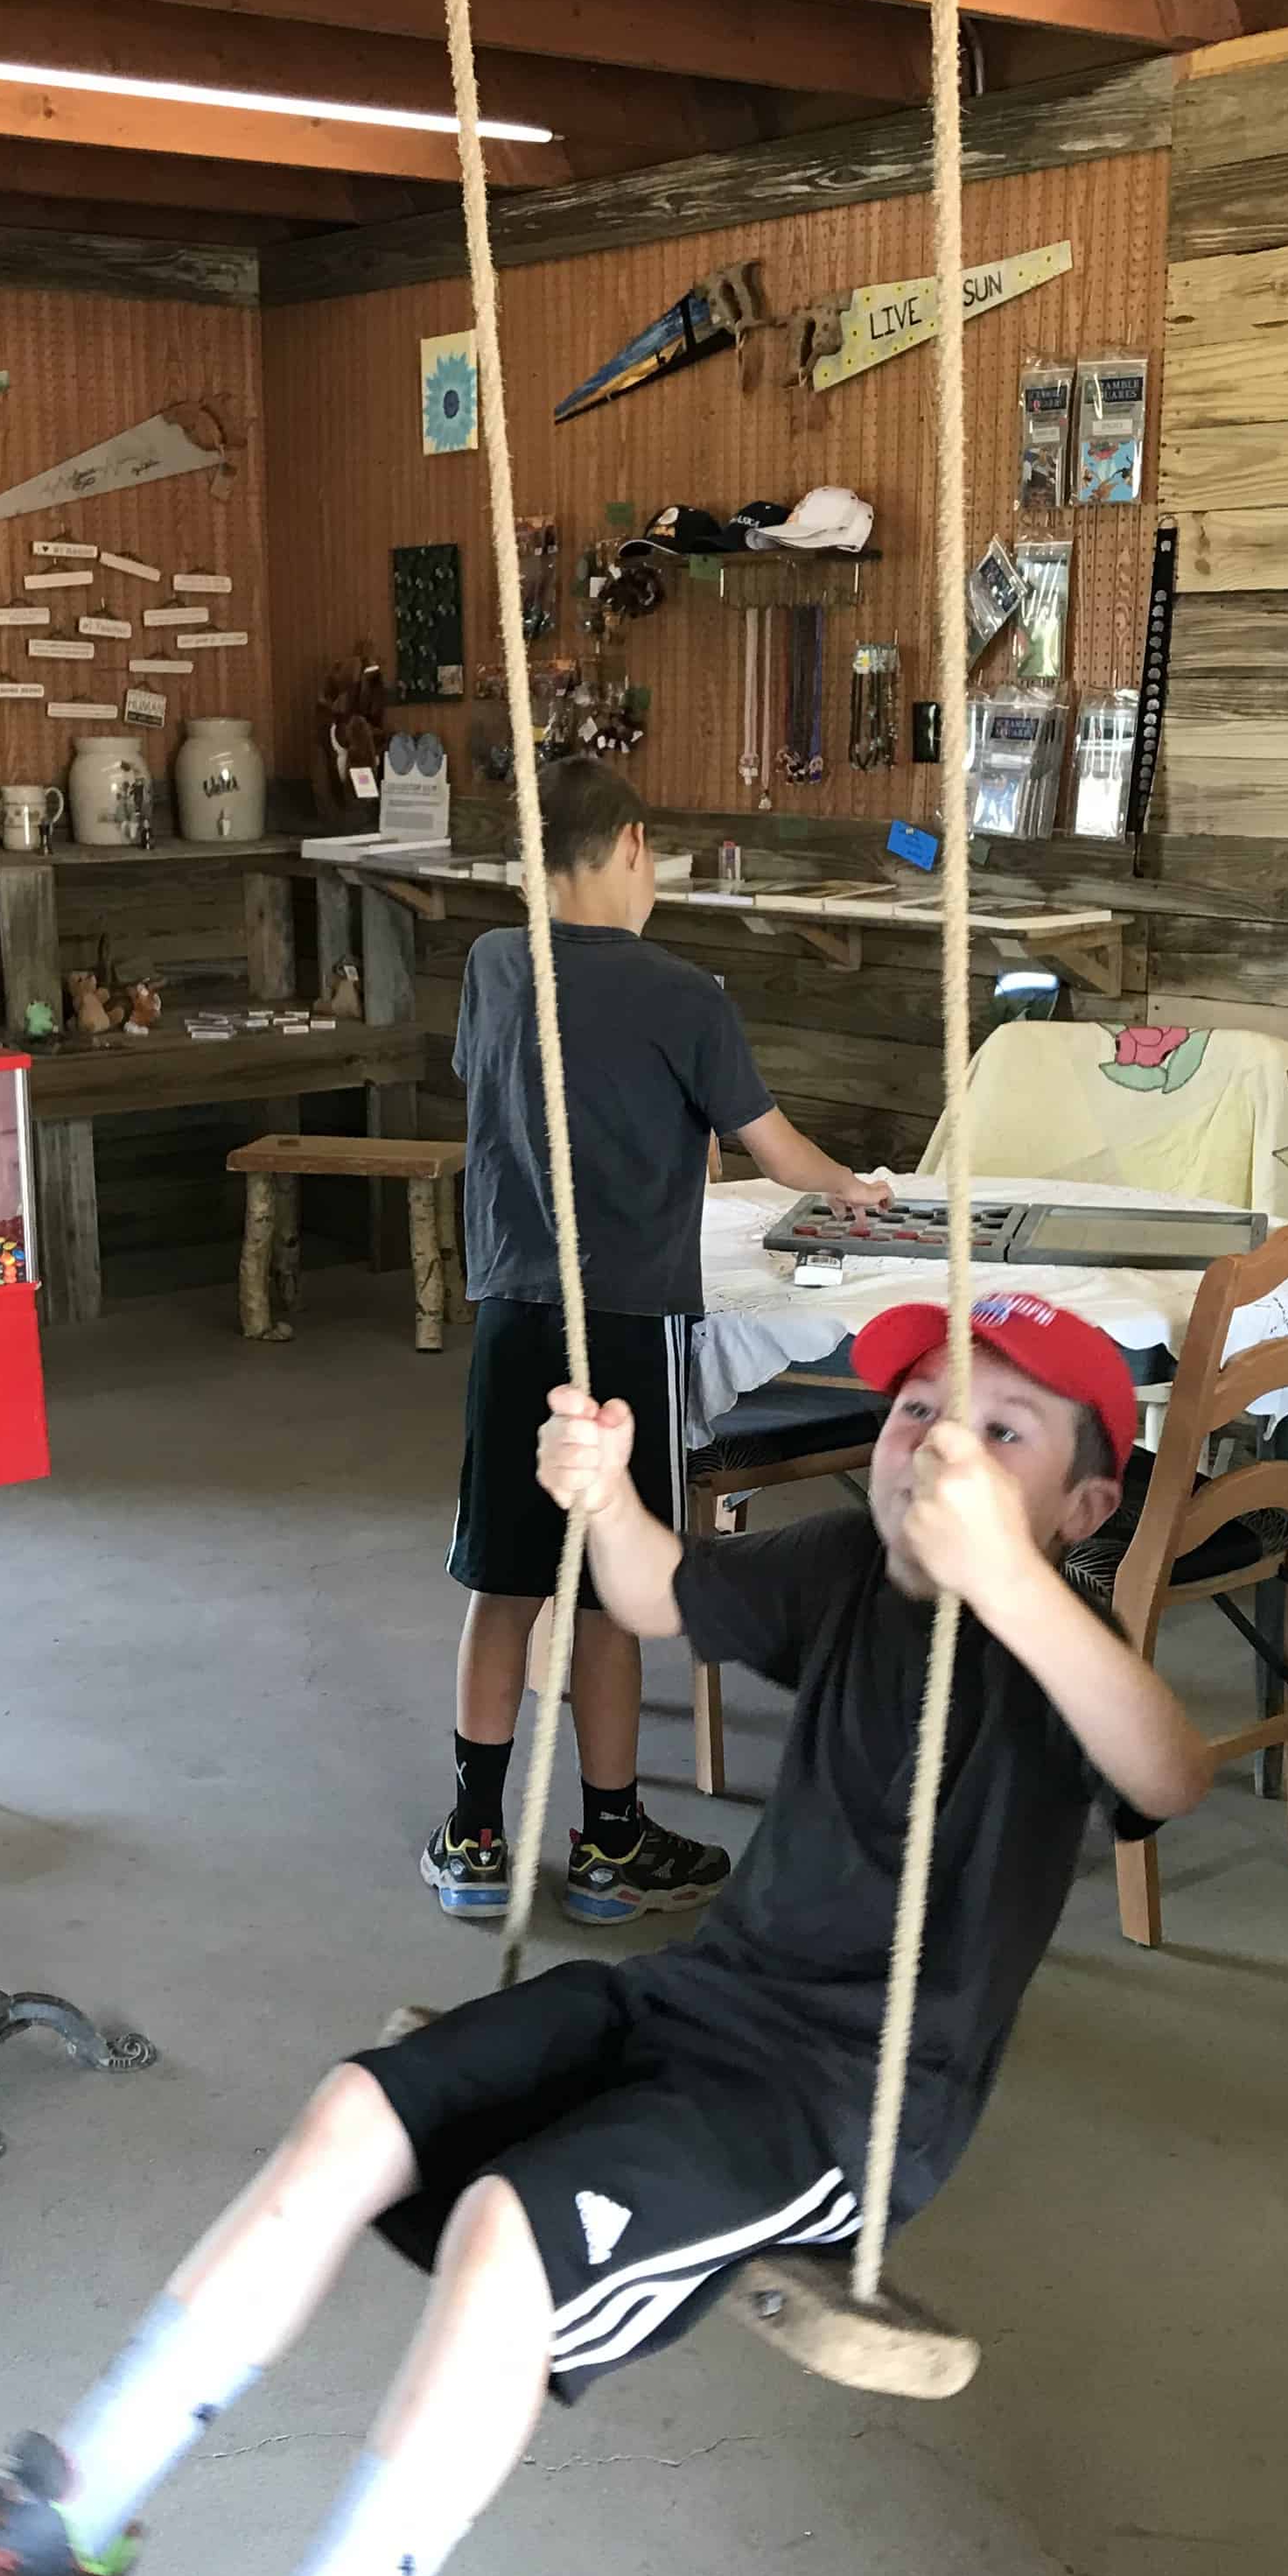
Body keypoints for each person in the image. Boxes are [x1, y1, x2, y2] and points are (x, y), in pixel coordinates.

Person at [0, 1291, 1214, 2576]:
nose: (930, 1450)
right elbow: (658, 1594)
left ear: (1080, 1507)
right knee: (352, 2111)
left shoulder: (1048, 1638)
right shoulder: (839, 1569)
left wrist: (1012, 1579)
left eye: (998, 1433)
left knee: (506, 2230)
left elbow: (1162, 1769)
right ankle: (55, 2539)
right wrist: (605, 1501)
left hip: (830, 2098)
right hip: (690, 1991)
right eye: (908, 1414)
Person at [428, 755, 887, 1930]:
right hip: (628, 1336)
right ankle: (611, 1842)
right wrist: (862, 1189)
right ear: (634, 845)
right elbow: (777, 1151)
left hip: (514, 1321)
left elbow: (502, 1089)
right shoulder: (688, 993)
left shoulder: (490, 966)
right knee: (608, 1597)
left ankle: (476, 1836)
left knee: (503, 1580)